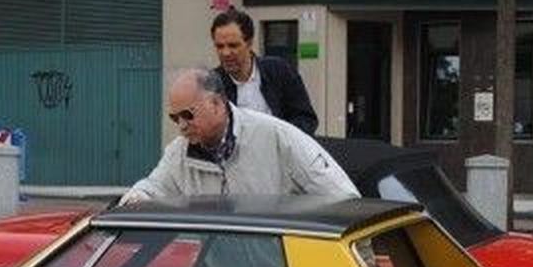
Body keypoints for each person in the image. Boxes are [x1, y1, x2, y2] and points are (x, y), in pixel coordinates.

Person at [122, 68, 357, 202]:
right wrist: (135, 198)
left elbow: (339, 196)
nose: (182, 125)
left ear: (217, 103)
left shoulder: (276, 137)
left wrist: (369, 251)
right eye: (175, 118)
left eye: (187, 114)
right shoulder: (178, 153)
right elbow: (153, 188)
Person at [209, 7, 319, 134]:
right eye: (219, 46)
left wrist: (281, 139)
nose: (226, 53)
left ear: (249, 43)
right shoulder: (211, 84)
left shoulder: (279, 71)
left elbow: (306, 119)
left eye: (233, 45)